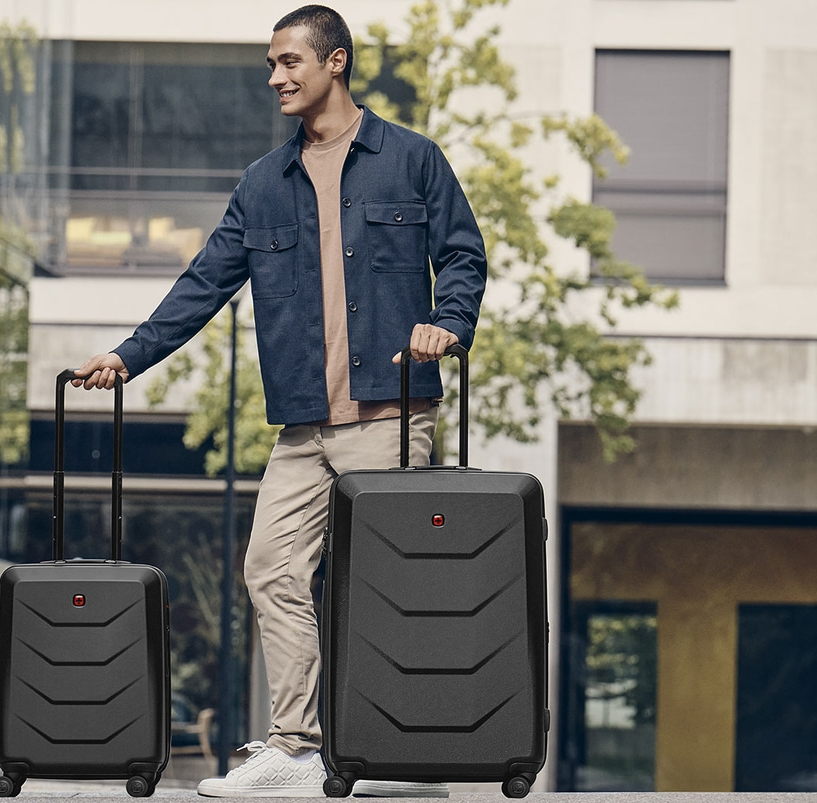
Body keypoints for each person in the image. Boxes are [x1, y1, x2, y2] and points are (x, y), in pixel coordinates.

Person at [72, 5, 486, 798]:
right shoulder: (264, 185)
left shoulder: (411, 159)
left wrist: (448, 323)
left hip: (390, 409)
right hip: (306, 421)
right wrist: (129, 355)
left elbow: (463, 252)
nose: (276, 77)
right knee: (271, 567)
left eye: (289, 61)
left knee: (385, 585)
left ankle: (405, 752)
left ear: (335, 62)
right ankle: (297, 746)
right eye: (271, 64)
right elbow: (204, 282)